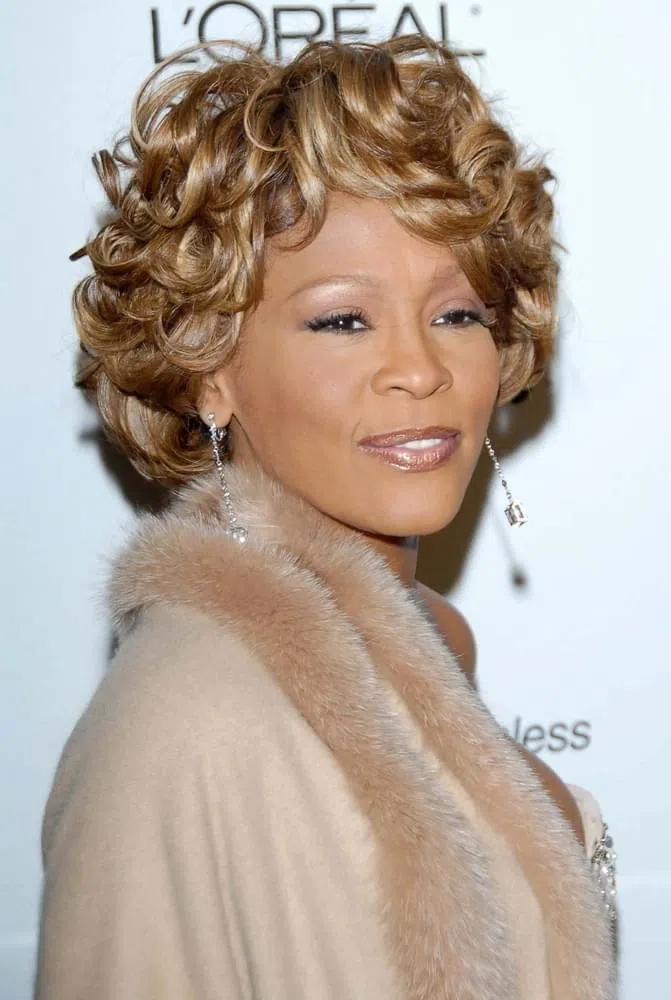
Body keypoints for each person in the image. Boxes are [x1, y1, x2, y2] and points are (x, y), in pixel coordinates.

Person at [35, 34, 616, 1000]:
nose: (419, 370)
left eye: (458, 314)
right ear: (208, 367)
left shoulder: (424, 646)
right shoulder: (185, 722)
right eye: (343, 319)